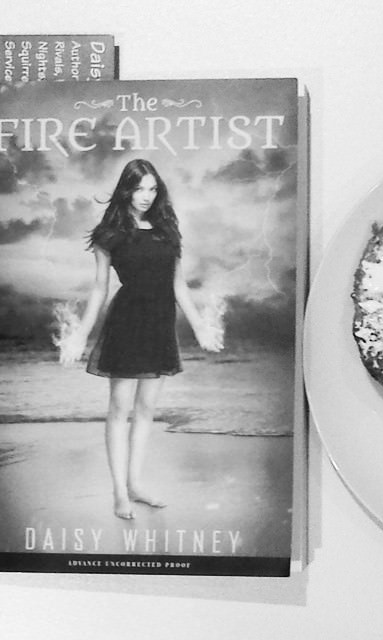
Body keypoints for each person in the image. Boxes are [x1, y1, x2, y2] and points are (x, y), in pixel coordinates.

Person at [60, 158, 221, 520]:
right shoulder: (109, 234)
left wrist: (199, 326)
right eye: (139, 188)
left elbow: (178, 285)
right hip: (127, 322)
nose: (146, 196)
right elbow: (99, 288)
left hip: (160, 323)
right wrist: (80, 334)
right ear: (126, 190)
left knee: (146, 409)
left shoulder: (167, 229)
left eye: (152, 188)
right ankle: (119, 492)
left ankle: (135, 485)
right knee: (120, 408)